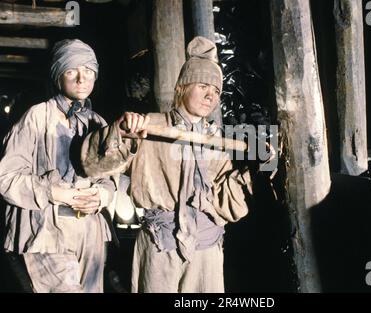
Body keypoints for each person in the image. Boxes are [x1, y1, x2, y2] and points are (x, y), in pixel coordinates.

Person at [81, 36, 253, 292]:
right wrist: (121, 131)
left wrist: (255, 170)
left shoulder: (216, 141)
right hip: (160, 246)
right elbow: (91, 165)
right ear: (182, 87)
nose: (210, 95)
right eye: (203, 85)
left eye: (216, 91)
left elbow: (227, 203)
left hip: (207, 248)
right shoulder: (150, 125)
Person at [0, 39, 116, 293]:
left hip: (89, 230)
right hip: (46, 229)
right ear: (58, 75)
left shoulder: (98, 122)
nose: (81, 78)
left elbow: (110, 177)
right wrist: (55, 192)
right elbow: (6, 177)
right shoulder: (37, 116)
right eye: (71, 70)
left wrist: (101, 196)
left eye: (88, 70)